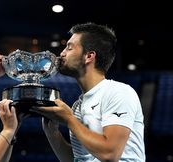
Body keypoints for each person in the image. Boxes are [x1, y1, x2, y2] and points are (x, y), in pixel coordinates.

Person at [32, 22, 146, 162]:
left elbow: (110, 154)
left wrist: (69, 119)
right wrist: (53, 133)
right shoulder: (78, 106)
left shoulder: (119, 92)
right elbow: (78, 159)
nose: (62, 53)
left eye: (69, 48)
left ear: (89, 56)